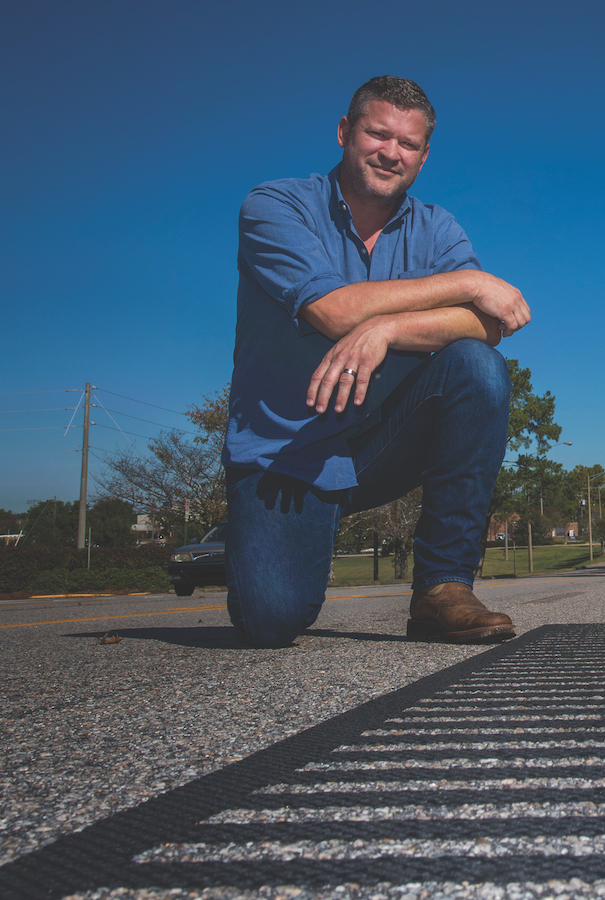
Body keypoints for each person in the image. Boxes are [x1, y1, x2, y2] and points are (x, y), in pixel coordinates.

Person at [223, 76, 529, 648]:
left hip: (377, 443)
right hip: (288, 453)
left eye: (408, 144)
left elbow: (489, 324)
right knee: (271, 621)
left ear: (424, 155)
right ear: (345, 132)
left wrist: (388, 328)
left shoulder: (436, 228)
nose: (391, 152)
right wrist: (465, 281)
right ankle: (268, 534)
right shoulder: (274, 206)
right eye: (377, 134)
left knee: (476, 367)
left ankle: (443, 587)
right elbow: (335, 312)